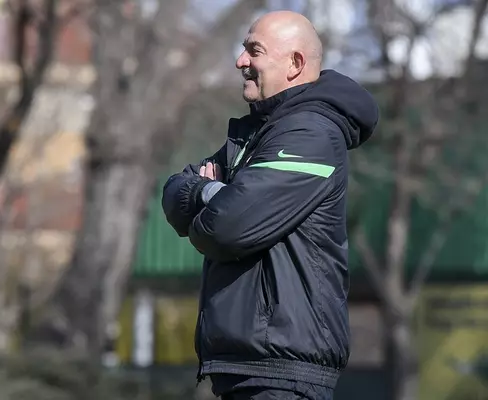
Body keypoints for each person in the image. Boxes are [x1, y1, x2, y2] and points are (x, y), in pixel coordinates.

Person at [161, 10, 379, 400]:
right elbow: (175, 192)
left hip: (281, 375)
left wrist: (210, 194)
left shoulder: (310, 134)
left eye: (254, 51)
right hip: (250, 369)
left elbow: (227, 227)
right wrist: (209, 192)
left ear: (295, 63)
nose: (240, 61)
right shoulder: (260, 135)